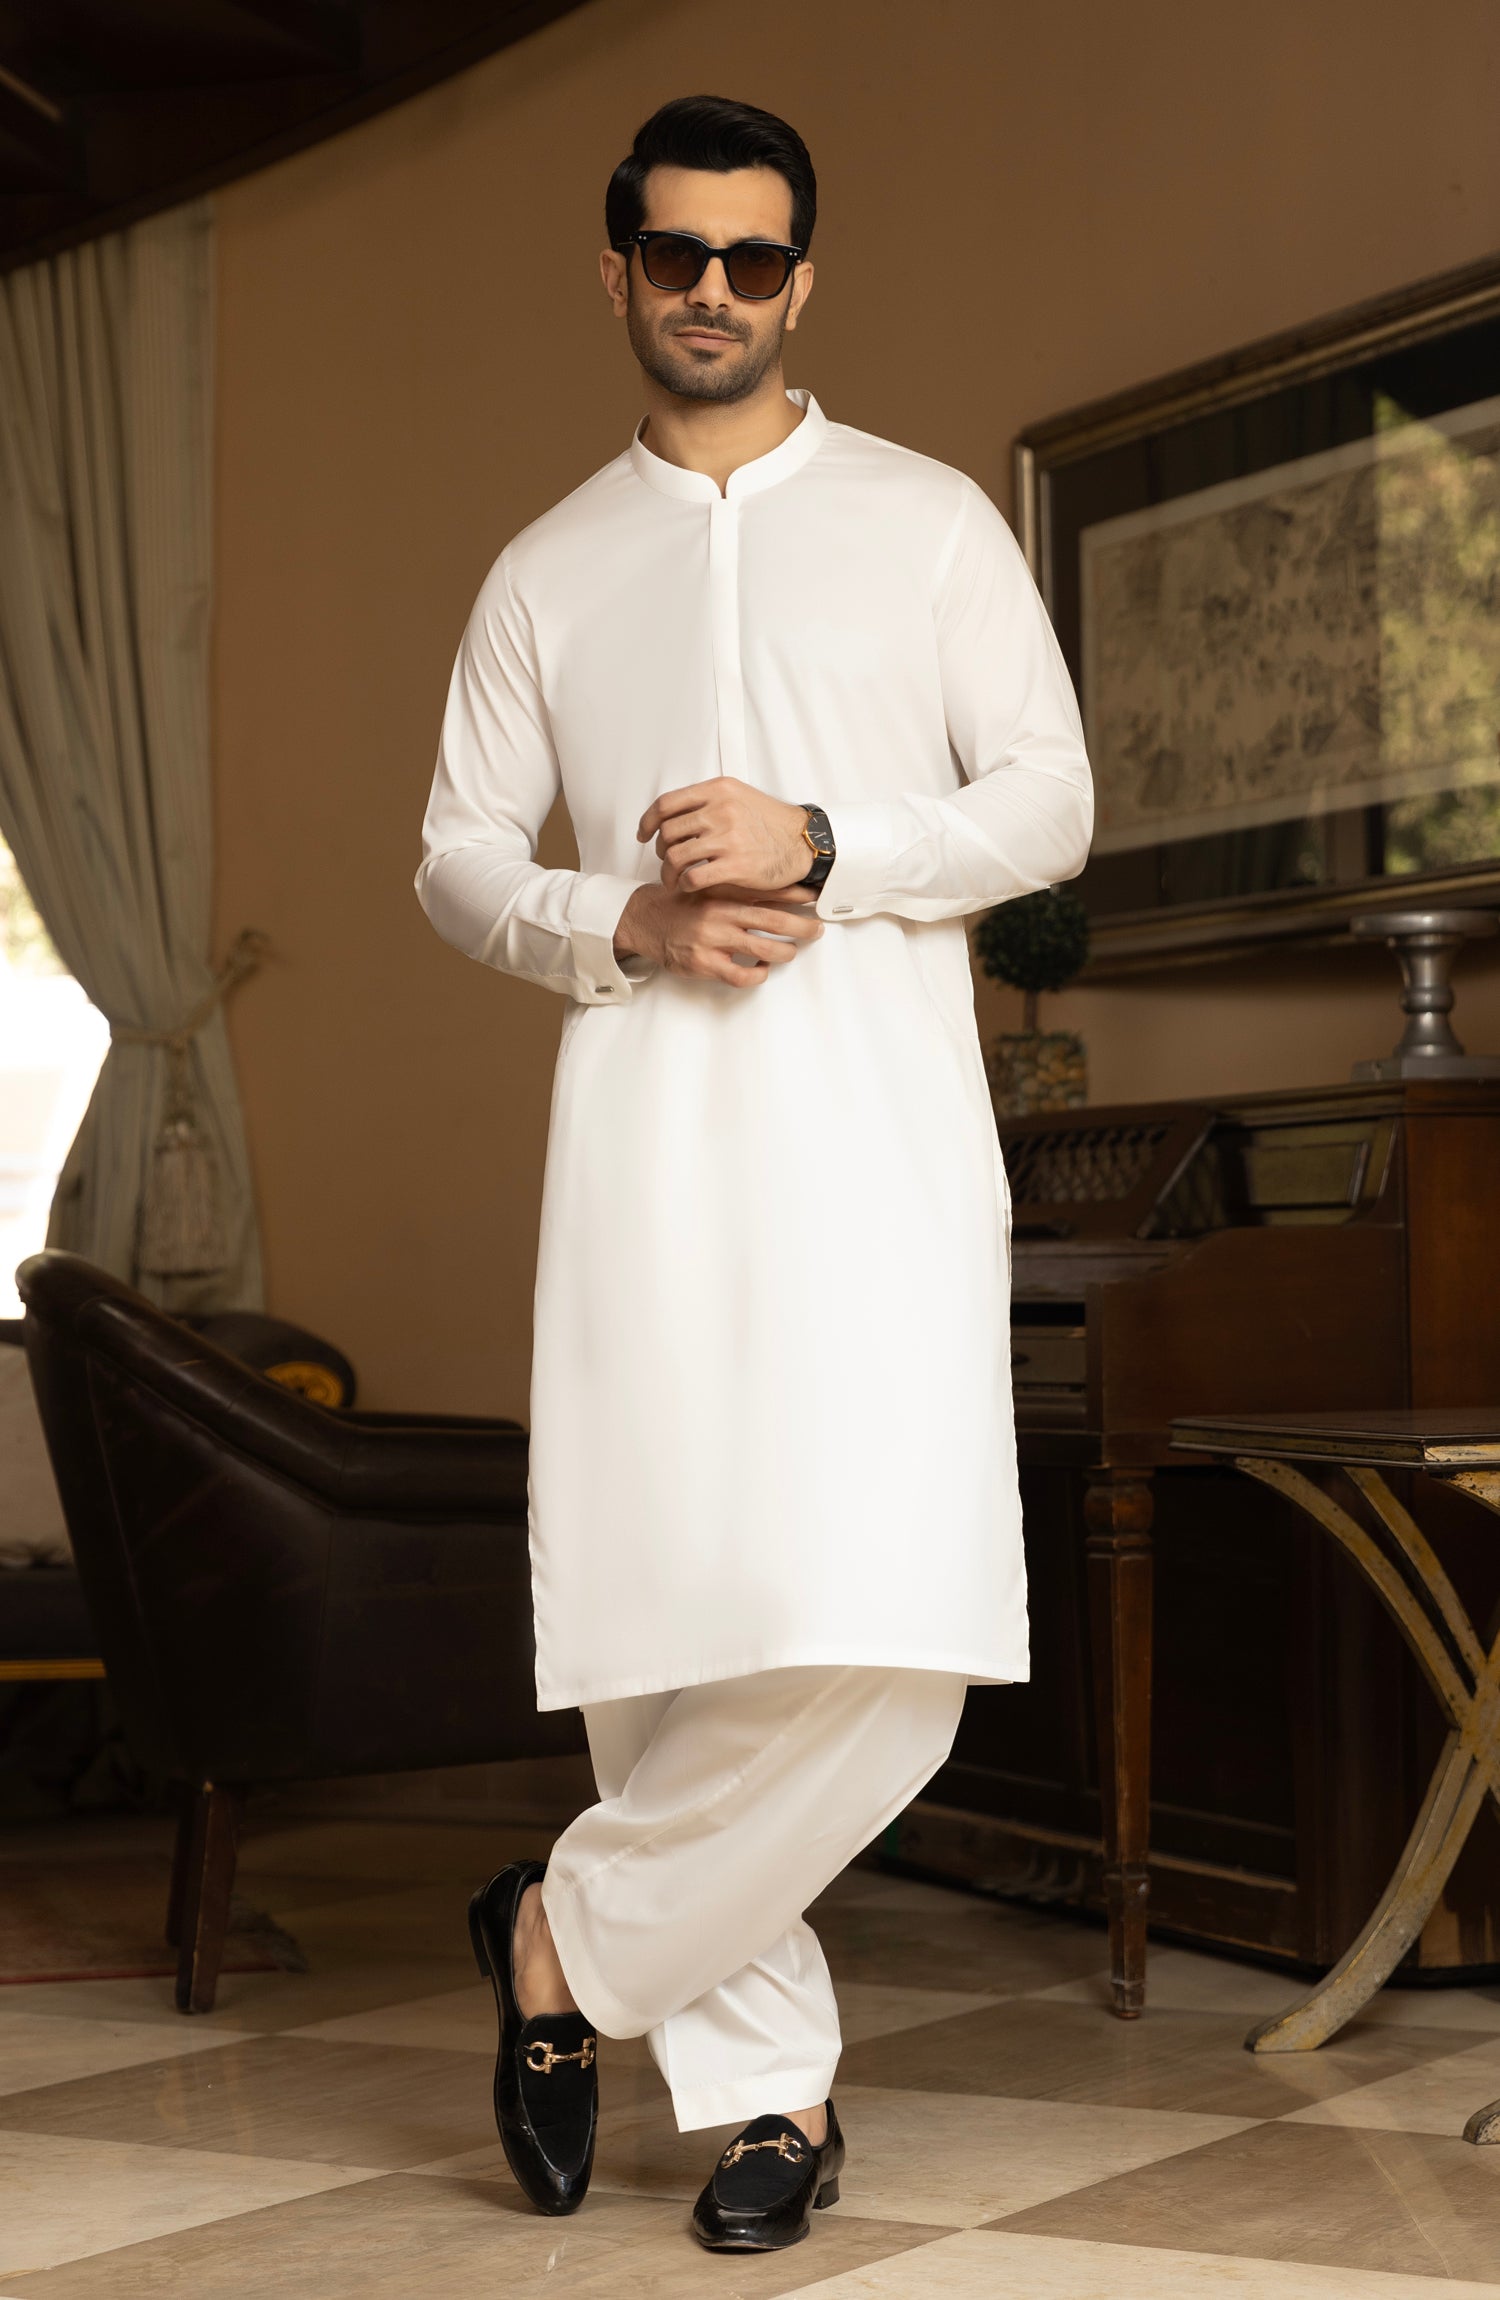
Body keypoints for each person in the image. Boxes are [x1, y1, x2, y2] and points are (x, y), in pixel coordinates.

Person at [416, 92, 1093, 2255]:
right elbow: (453, 858)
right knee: (669, 1622)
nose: (714, 290)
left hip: (881, 1143)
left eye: (755, 257)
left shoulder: (925, 524)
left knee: (898, 1632)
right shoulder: (545, 568)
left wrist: (829, 843)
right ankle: (771, 2104)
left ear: (806, 278)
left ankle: (562, 1935)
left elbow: (1051, 800)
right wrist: (618, 918)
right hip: (645, 1151)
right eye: (675, 252)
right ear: (617, 268)